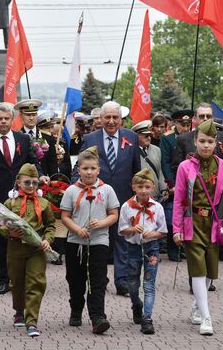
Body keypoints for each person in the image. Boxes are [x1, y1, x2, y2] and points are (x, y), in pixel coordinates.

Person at [0, 102, 45, 295]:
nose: (3, 122)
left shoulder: (23, 139)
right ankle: (3, 279)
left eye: (6, 118)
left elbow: (33, 162)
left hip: (23, 197)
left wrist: (41, 175)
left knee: (24, 237)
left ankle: (21, 278)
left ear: (13, 119)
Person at [172, 120, 223, 336]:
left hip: (215, 225)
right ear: (195, 141)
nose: (206, 146)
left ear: (216, 143)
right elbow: (180, 199)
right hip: (193, 223)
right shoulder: (185, 167)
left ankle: (196, 306)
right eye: (202, 141)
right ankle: (207, 317)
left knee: (210, 270)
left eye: (210, 142)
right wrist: (177, 227)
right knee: (198, 268)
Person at [72, 101, 141, 297]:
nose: (111, 121)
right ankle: (99, 279)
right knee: (100, 243)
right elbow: (80, 167)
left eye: (115, 117)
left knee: (122, 242)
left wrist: (138, 197)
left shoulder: (132, 138)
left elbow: (136, 170)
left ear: (121, 119)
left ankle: (122, 281)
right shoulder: (90, 138)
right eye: (107, 117)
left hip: (124, 199)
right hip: (97, 199)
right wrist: (74, 190)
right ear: (100, 119)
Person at [61, 147, 119, 334]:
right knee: (75, 279)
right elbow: (65, 216)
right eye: (85, 168)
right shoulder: (71, 190)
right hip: (75, 243)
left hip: (99, 242)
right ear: (79, 170)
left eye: (93, 168)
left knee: (98, 280)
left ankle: (97, 317)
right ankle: (76, 309)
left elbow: (114, 214)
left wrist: (102, 223)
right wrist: (77, 229)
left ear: (98, 170)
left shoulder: (107, 190)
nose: (89, 172)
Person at [1, 163, 55, 337]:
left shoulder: (44, 204)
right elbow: (0, 224)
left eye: (34, 183)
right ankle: (19, 310)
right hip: (15, 248)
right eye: (27, 183)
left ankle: (31, 321)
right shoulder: (10, 203)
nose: (31, 186)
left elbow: (51, 225)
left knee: (36, 283)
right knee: (16, 283)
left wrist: (47, 239)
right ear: (18, 182)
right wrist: (9, 231)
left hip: (36, 249)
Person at [118, 168, 167, 335]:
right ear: (133, 187)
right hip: (133, 248)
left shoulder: (157, 207)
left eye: (147, 187)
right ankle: (136, 304)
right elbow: (122, 230)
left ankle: (147, 318)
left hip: (151, 247)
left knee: (149, 284)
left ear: (152, 186)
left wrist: (153, 233)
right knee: (132, 283)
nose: (144, 191)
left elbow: (163, 231)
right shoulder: (126, 206)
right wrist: (132, 229)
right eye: (140, 187)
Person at [159, 109, 193, 262]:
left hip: (191, 181)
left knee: (188, 216)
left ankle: (184, 248)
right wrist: (171, 184)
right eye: (181, 124)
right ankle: (173, 250)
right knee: (174, 217)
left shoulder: (194, 138)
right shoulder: (168, 139)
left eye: (188, 124)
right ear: (175, 123)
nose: (185, 128)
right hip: (175, 181)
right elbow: (165, 163)